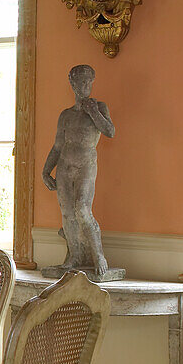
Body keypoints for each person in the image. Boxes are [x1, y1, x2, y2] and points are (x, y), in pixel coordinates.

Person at [41, 64, 121, 280]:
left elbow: (110, 131)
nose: (83, 86)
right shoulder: (65, 115)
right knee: (67, 213)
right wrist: (46, 171)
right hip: (65, 166)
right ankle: (74, 258)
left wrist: (93, 111)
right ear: (72, 83)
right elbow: (57, 146)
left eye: (87, 82)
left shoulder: (99, 107)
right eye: (78, 82)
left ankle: (99, 257)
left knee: (83, 210)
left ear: (92, 82)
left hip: (86, 163)